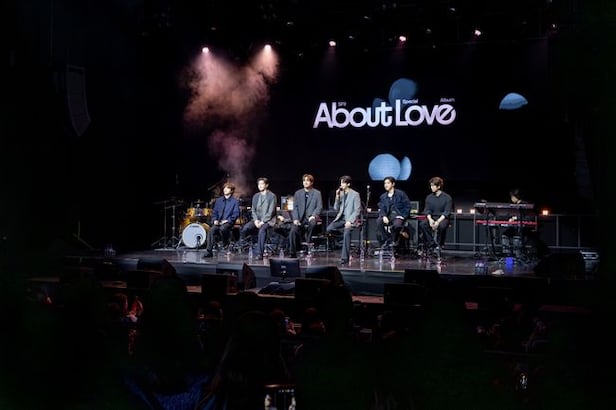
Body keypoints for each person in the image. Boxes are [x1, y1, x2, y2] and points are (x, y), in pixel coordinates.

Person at [326, 175, 361, 265]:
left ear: (348, 184)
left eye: (343, 183)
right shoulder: (341, 194)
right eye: (341, 183)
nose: (341, 184)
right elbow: (336, 208)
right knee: (329, 229)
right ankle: (341, 238)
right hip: (341, 219)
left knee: (347, 232)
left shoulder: (355, 194)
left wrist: (350, 221)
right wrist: (337, 197)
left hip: (350, 220)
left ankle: (345, 258)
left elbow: (357, 210)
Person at [240, 177, 277, 259]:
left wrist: (262, 221)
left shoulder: (272, 196)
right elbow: (253, 210)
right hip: (257, 220)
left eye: (262, 184)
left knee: (262, 230)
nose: (260, 186)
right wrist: (256, 220)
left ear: (266, 185)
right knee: (245, 228)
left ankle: (260, 253)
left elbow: (271, 212)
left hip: (268, 220)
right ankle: (244, 247)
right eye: (258, 184)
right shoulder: (256, 196)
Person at [289, 174, 323, 257]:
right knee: (293, 231)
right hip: (300, 218)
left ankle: (308, 243)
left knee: (312, 223)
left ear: (311, 182)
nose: (305, 182)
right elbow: (295, 207)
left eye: (307, 180)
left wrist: (314, 215)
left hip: (311, 217)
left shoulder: (317, 193)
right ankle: (292, 252)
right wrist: (295, 219)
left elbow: (319, 206)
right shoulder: (298, 193)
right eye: (304, 180)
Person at [203, 182, 240, 257]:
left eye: (228, 188)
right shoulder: (219, 200)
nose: (225, 189)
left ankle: (225, 245)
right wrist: (215, 220)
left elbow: (236, 213)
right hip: (219, 222)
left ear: (231, 190)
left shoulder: (235, 201)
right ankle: (209, 251)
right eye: (224, 188)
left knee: (223, 228)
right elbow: (215, 212)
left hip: (228, 222)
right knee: (211, 230)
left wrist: (227, 220)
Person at [375, 176, 412, 249]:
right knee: (379, 221)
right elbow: (381, 208)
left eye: (388, 183)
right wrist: (384, 216)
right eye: (385, 183)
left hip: (398, 216)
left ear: (393, 184)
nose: (386, 185)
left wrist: (402, 216)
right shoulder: (383, 196)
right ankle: (387, 239)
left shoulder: (401, 194)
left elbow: (407, 206)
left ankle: (394, 240)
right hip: (388, 216)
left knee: (397, 225)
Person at [500, 188, 537, 259]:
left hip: (523, 228)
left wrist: (516, 218)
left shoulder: (525, 204)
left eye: (512, 197)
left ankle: (518, 255)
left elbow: (529, 217)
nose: (511, 198)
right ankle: (507, 254)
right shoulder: (511, 205)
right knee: (505, 235)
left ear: (516, 196)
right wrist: (509, 219)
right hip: (514, 227)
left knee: (517, 236)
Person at [419, 176, 452, 251]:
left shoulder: (447, 197)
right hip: (432, 217)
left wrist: (437, 222)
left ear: (438, 186)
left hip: (442, 218)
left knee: (442, 226)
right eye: (431, 186)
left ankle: (440, 244)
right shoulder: (429, 197)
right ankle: (432, 244)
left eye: (433, 186)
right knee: (423, 224)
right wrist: (430, 220)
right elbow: (427, 210)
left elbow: (446, 212)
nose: (431, 187)